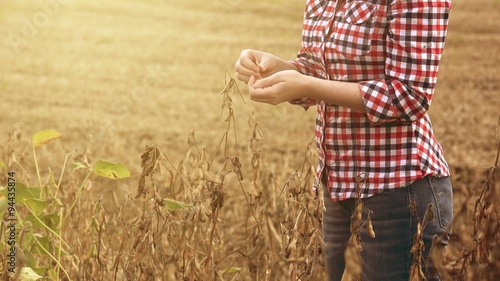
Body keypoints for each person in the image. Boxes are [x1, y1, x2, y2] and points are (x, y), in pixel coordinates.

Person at [235, 0, 453, 280]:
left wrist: (306, 85)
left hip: (399, 195)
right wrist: (276, 68)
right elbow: (323, 72)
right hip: (338, 189)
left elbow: (409, 96)